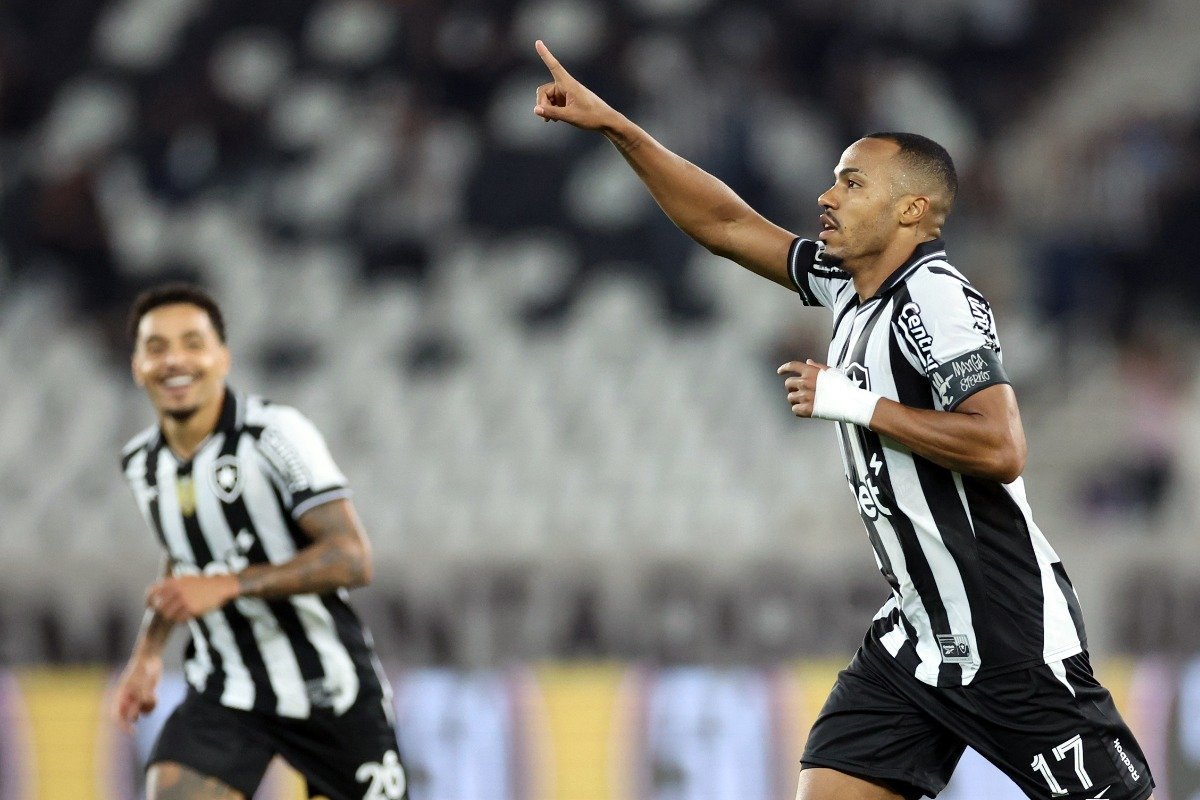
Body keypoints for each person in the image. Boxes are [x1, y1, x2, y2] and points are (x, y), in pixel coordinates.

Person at [532, 40, 1155, 800]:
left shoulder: (936, 298)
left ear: (911, 211)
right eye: (833, 180)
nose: (827, 197)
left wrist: (854, 403)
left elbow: (1000, 445)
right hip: (918, 638)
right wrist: (617, 129)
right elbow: (726, 223)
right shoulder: (849, 288)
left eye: (852, 183)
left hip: (1006, 637)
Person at [111, 283, 408, 800]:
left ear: (222, 358)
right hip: (227, 689)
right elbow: (184, 556)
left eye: (192, 343)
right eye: (156, 348)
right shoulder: (142, 463)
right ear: (136, 366)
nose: (175, 360)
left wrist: (230, 584)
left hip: (326, 691)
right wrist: (149, 653)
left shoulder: (274, 435)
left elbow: (352, 558)